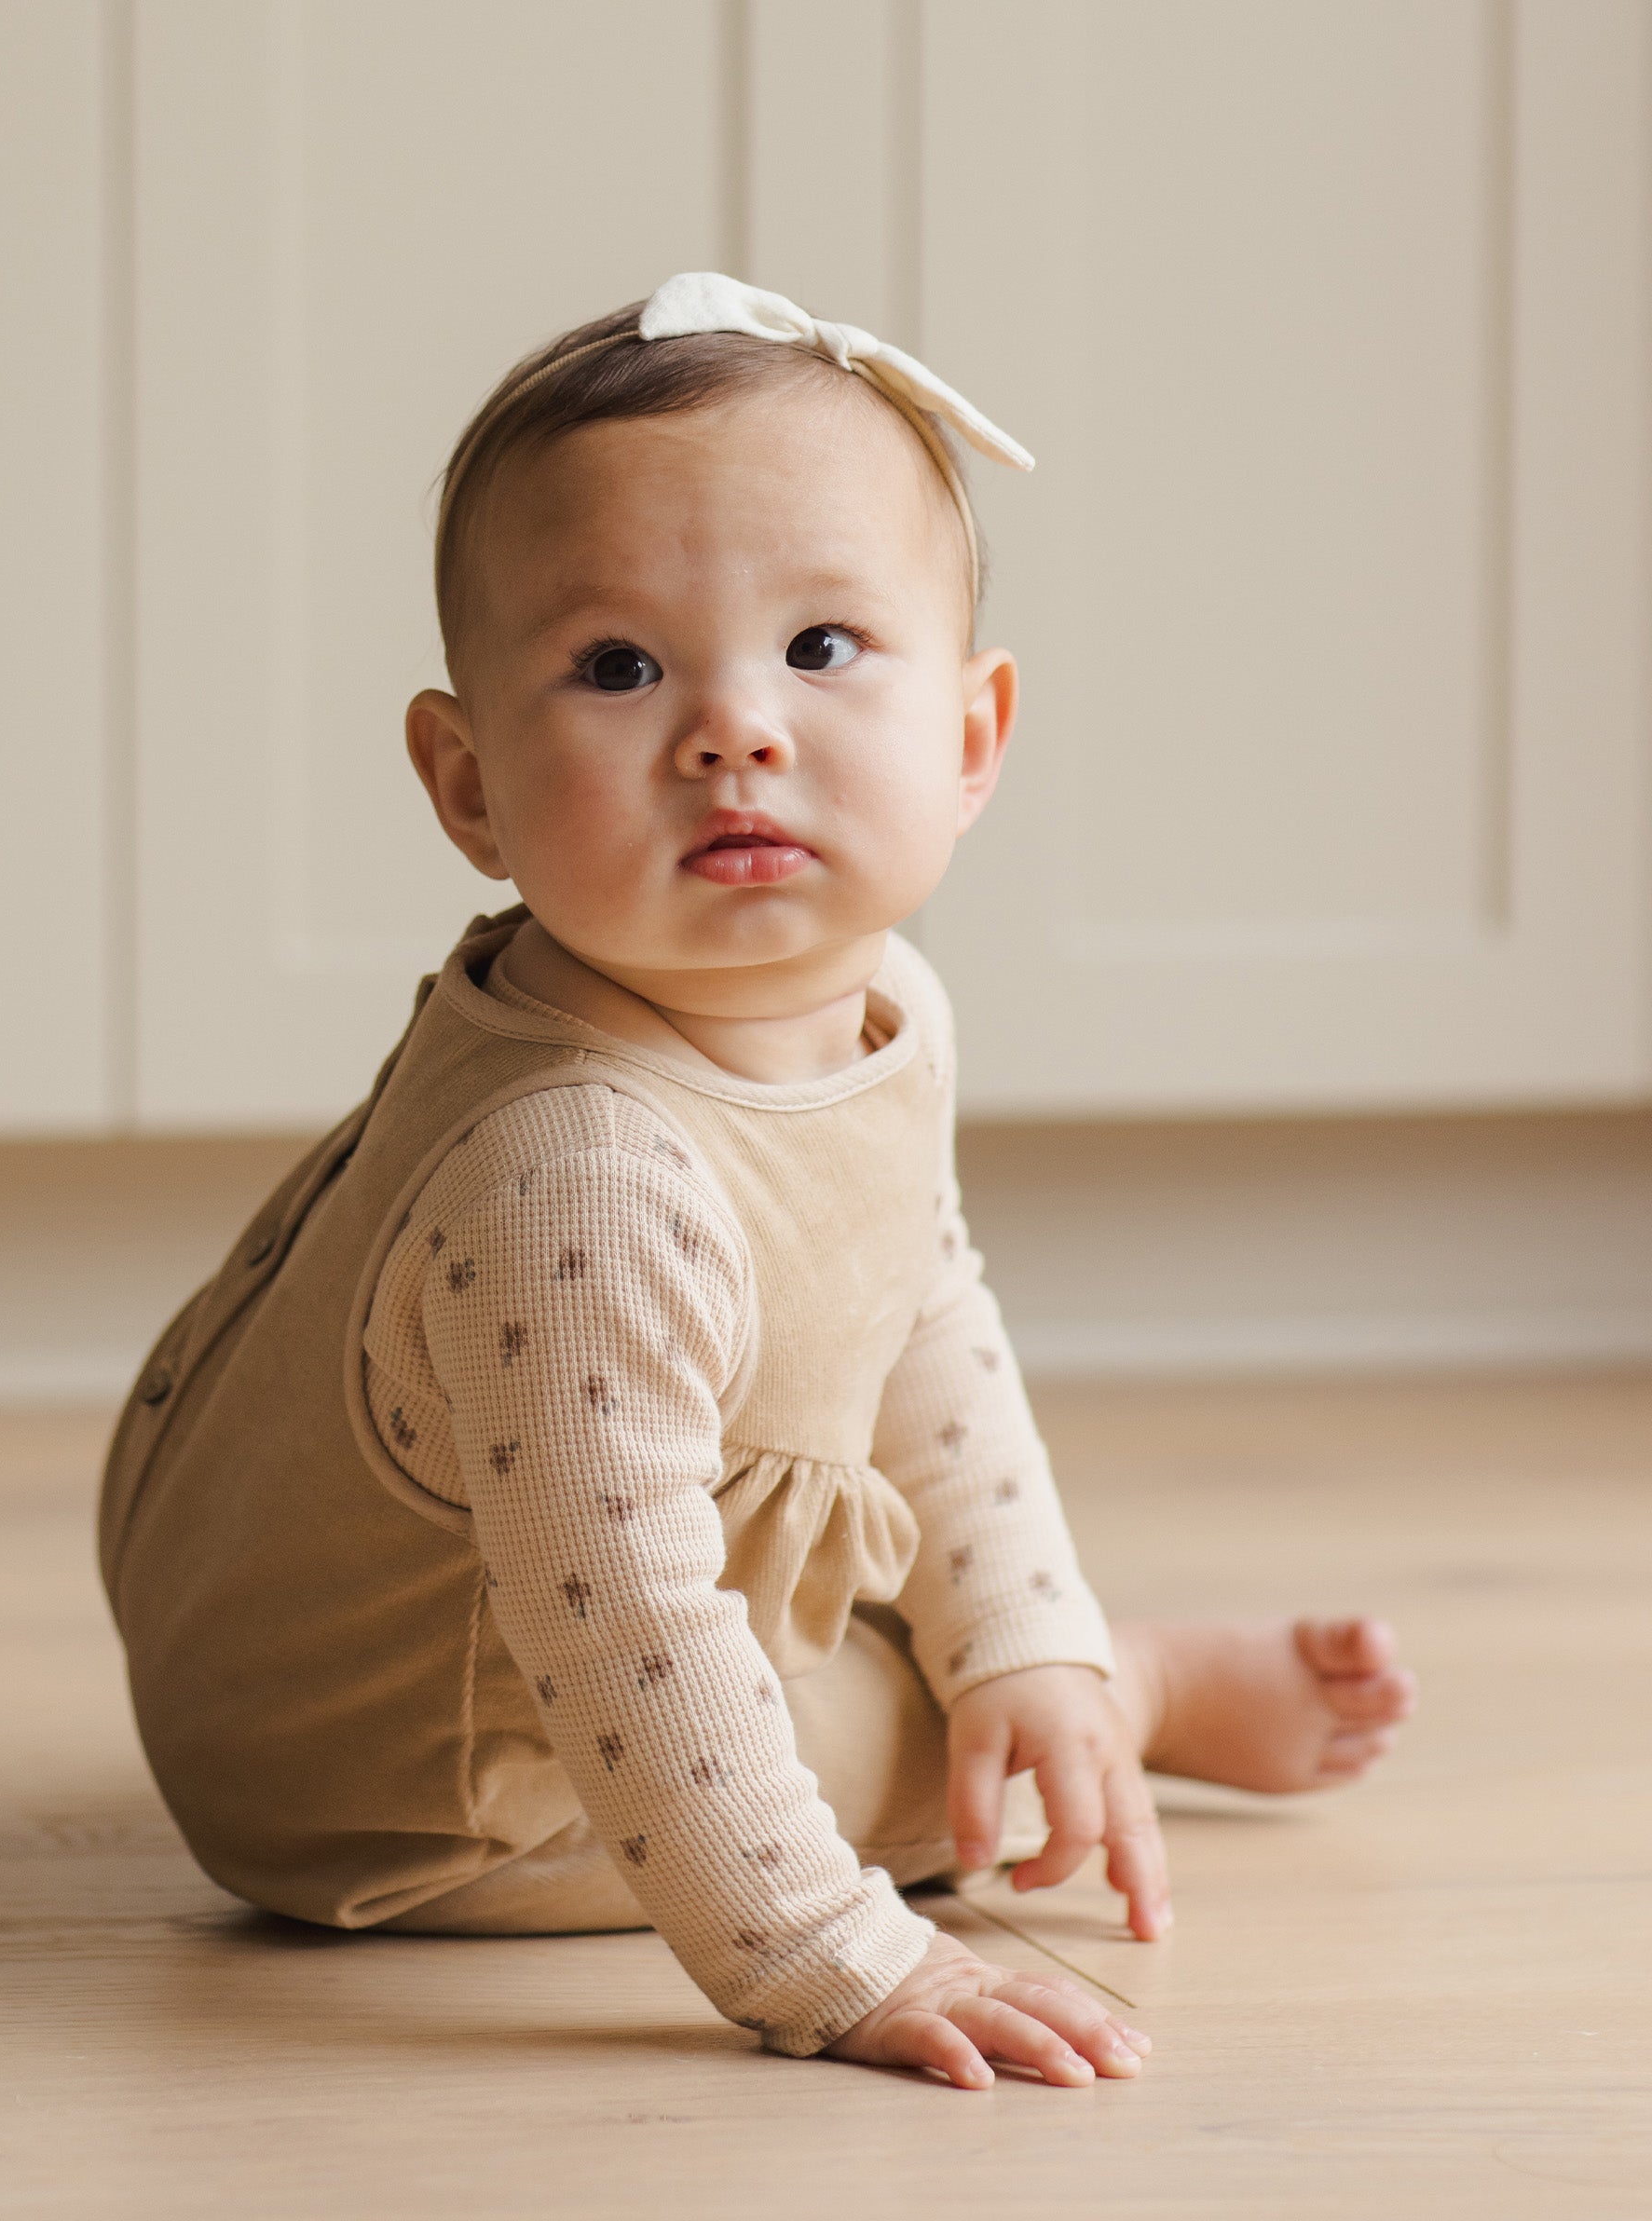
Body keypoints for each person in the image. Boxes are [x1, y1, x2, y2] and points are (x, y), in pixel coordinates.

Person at [100, 274, 1416, 2092]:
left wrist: (1007, 1614)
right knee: (837, 1733)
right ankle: (1139, 1688)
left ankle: (1056, 1660)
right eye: (620, 667)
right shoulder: (574, 1173)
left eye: (818, 648)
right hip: (414, 1766)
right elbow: (632, 1632)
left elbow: (917, 1315)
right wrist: (835, 1951)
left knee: (899, 1597)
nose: (733, 728)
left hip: (521, 1540)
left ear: (967, 740)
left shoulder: (880, 1006)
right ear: (467, 785)